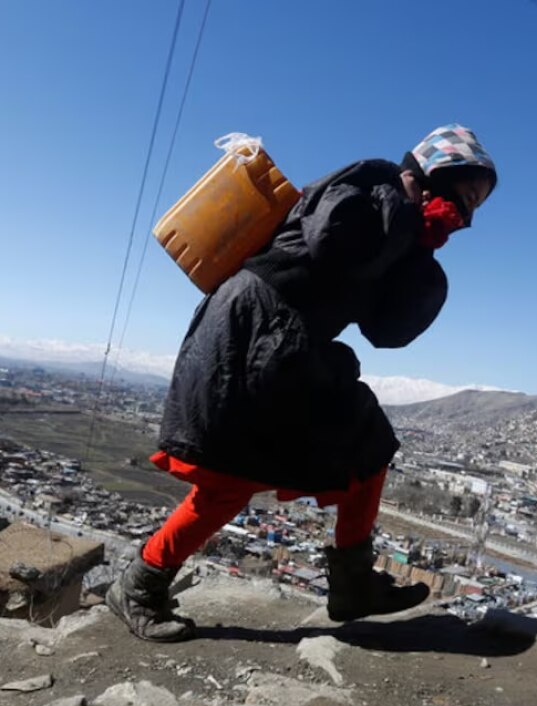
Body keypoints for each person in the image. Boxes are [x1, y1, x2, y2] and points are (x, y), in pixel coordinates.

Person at [107, 123, 498, 642]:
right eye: (465, 196)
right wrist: (406, 220)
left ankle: (350, 583)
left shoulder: (406, 232)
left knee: (353, 448)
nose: (465, 215)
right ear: (434, 175)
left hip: (287, 348)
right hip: (250, 332)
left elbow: (387, 330)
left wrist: (420, 260)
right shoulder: (368, 184)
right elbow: (333, 241)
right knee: (234, 479)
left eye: (474, 207)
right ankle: (141, 585)